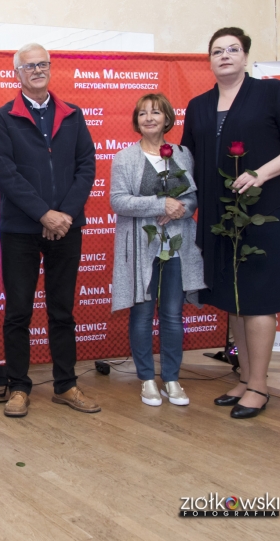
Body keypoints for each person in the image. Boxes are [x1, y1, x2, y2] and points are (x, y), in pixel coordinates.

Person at [182, 27, 280, 418]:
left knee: (258, 298)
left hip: (268, 210)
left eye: (233, 49)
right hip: (220, 215)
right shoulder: (199, 105)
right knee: (233, 299)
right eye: (217, 51)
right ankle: (244, 376)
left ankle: (259, 384)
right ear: (209, 61)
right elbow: (189, 158)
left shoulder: (270, 92)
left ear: (245, 57)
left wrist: (261, 174)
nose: (225, 55)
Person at [0, 42, 98, 418]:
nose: (37, 70)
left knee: (62, 310)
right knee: (18, 311)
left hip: (67, 226)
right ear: (16, 74)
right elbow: (6, 174)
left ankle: (66, 385)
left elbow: (87, 166)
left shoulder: (73, 115)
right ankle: (19, 387)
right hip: (20, 229)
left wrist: (62, 215)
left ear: (50, 68)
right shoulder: (2, 118)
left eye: (42, 64)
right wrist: (43, 215)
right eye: (29, 66)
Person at [111, 94, 205, 406]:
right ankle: (147, 380)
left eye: (155, 112)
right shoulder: (125, 157)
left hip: (177, 248)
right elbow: (118, 201)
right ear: (136, 121)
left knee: (173, 315)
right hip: (141, 249)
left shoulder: (183, 154)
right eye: (142, 114)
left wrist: (180, 207)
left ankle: (172, 379)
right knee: (141, 314)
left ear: (167, 118)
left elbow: (193, 196)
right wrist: (160, 204)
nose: (149, 118)